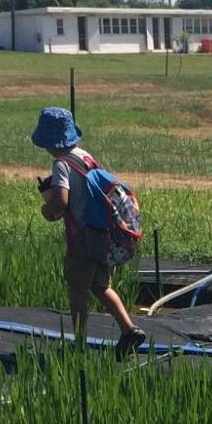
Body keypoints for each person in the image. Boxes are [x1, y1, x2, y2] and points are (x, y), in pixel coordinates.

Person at [31, 107, 146, 356]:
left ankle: (80, 343)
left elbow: (61, 203)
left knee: (77, 290)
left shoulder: (61, 164)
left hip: (83, 238)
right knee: (101, 286)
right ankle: (129, 329)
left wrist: (46, 208)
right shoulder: (84, 156)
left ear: (48, 142)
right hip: (103, 234)